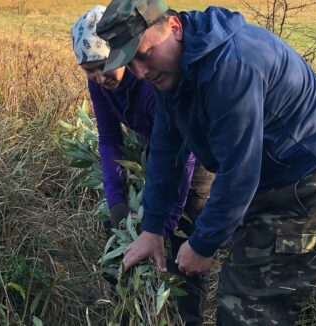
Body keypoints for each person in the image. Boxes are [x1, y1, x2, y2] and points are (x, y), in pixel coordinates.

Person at [96, 0, 316, 325]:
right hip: (270, 177)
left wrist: (203, 243)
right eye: (129, 62)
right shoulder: (174, 71)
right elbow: (166, 150)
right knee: (242, 288)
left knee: (249, 308)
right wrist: (152, 228)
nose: (140, 72)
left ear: (174, 28)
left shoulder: (231, 66)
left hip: (313, 183)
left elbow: (240, 173)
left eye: (143, 54)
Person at [71, 6, 214, 324]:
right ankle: (130, 311)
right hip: (152, 152)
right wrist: (117, 200)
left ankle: (187, 316)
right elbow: (109, 139)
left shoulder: (148, 81)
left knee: (183, 242)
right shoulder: (100, 85)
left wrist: (162, 225)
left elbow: (183, 154)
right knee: (120, 231)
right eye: (89, 70)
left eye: (103, 65)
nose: (99, 77)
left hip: (192, 153)